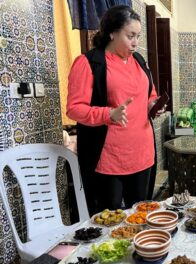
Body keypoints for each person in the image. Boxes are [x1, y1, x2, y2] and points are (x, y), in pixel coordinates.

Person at [67, 5, 158, 215]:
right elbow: (74, 109)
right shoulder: (89, 62)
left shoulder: (138, 61)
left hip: (143, 153)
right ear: (112, 33)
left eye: (138, 36)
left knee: (141, 214)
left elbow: (149, 94)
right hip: (109, 158)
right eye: (130, 36)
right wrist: (108, 114)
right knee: (109, 219)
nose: (136, 42)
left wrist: (152, 105)